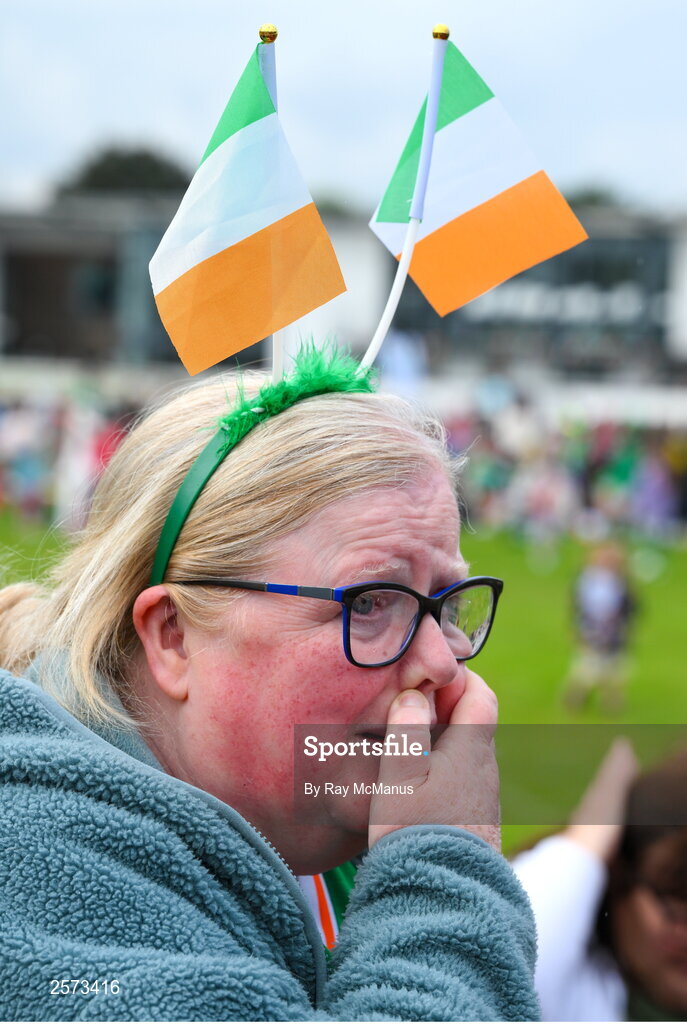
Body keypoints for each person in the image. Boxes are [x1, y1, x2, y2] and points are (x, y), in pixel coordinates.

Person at [0, 351, 538, 1021]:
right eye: (370, 602)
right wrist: (441, 871)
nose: (443, 661)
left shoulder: (304, 831)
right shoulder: (37, 874)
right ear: (173, 636)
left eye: (446, 604)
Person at [513, 739, 687, 1021]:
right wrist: (585, 844)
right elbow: (514, 950)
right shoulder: (576, 995)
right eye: (678, 912)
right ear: (618, 876)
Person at [564, 542, 637, 714]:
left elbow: (631, 607)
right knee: (588, 668)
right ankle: (576, 698)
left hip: (616, 633)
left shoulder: (621, 582)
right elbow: (579, 607)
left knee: (615, 671)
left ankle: (611, 702)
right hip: (592, 631)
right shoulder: (587, 581)